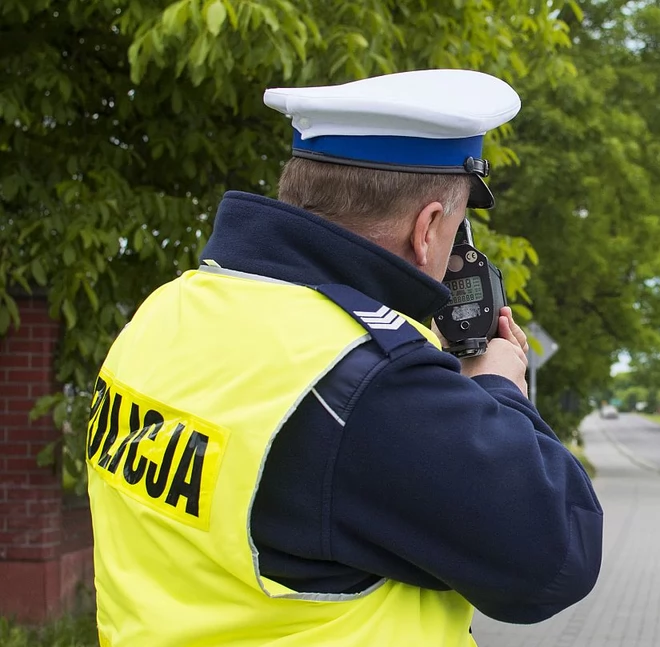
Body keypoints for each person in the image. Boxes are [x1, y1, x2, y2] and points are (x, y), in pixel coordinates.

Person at [84, 69, 603, 646]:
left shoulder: (169, 309)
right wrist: (499, 391)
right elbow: (555, 560)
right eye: (457, 229)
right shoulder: (368, 381)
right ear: (429, 228)